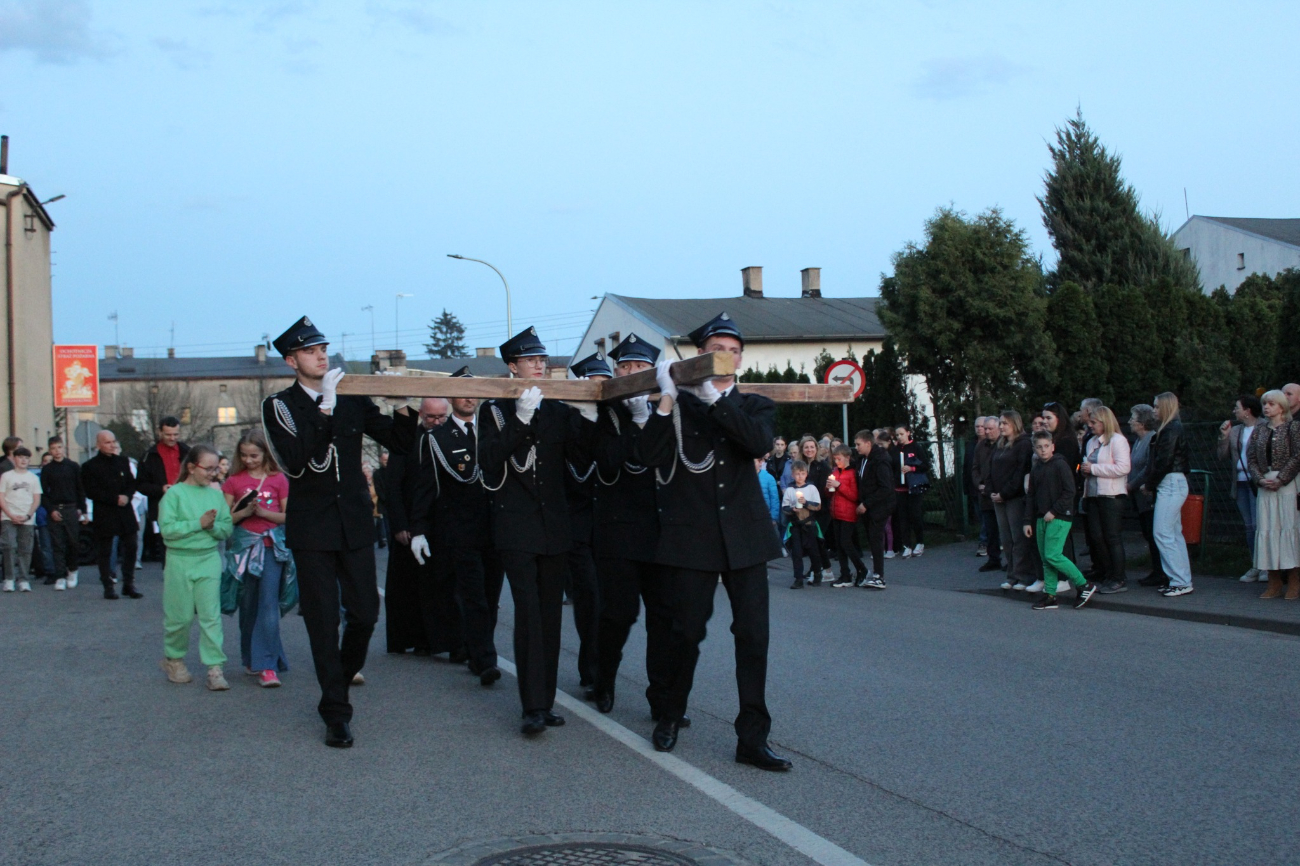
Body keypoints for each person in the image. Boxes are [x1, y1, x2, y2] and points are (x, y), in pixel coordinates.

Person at [637, 312, 790, 770]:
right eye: (714, 349)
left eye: (732, 350)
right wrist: (667, 400)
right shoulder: (677, 407)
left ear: (740, 360)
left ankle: (752, 739)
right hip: (693, 539)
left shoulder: (754, 405)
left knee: (753, 638)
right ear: (700, 356)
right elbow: (647, 456)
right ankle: (669, 713)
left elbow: (757, 443)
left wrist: (715, 401)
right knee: (685, 633)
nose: (724, 356)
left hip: (745, 538)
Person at [261, 315, 417, 748]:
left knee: (366, 613)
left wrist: (400, 403)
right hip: (312, 526)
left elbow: (399, 441)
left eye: (323, 349)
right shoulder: (280, 405)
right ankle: (335, 711)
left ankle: (339, 683)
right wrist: (323, 407)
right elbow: (296, 459)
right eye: (311, 351)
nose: (321, 356)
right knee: (323, 621)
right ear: (292, 360)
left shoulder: (349, 397)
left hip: (352, 522)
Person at [477, 326, 595, 736]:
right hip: (516, 528)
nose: (540, 366)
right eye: (531, 360)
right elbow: (490, 462)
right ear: (512, 367)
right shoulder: (493, 410)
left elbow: (583, 458)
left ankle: (545, 702)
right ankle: (531, 706)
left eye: (543, 360)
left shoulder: (559, 409)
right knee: (528, 616)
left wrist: (593, 414)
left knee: (549, 618)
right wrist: (521, 421)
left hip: (554, 528)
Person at [586, 334, 672, 718]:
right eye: (626, 368)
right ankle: (603, 682)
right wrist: (637, 422)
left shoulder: (670, 409)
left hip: (661, 532)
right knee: (618, 615)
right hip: (618, 532)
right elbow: (606, 462)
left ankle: (662, 698)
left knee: (664, 621)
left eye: (641, 368)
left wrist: (649, 418)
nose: (633, 375)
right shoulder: (605, 414)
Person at [409, 371, 505, 687]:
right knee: (474, 596)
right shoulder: (436, 438)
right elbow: (426, 487)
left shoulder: (492, 430)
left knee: (491, 596)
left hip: (495, 527)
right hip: (460, 530)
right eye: (462, 392)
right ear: (450, 398)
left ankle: (477, 651)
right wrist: (419, 529)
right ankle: (486, 660)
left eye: (472, 391)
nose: (469, 397)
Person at [384, 398, 462, 659]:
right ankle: (412, 638)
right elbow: (392, 485)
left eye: (441, 416)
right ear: (420, 415)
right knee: (408, 586)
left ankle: (441, 640)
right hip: (409, 521)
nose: (437, 422)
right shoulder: (407, 440)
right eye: (431, 417)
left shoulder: (451, 436)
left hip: (443, 522)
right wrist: (399, 524)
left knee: (441, 585)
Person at [159, 445, 234, 690]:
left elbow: (226, 528)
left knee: (211, 616)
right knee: (179, 616)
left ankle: (215, 668)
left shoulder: (215, 495)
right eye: (208, 468)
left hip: (208, 559)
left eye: (216, 468)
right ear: (191, 467)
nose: (214, 473)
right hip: (179, 560)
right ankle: (174, 659)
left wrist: (212, 527)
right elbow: (168, 531)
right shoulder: (174, 495)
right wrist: (198, 524)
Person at [222, 429, 292, 687]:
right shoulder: (233, 481)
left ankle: (268, 665)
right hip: (243, 549)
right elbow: (225, 519)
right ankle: (255, 657)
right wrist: (243, 512)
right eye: (244, 455)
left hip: (272, 548)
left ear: (265, 453)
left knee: (268, 605)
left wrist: (262, 513)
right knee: (248, 606)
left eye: (254, 455)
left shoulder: (279, 480)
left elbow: (289, 516)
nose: (249, 460)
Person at [1023, 431, 1097, 610]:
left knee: (1053, 554)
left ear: (1052, 446)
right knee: (1045, 558)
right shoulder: (1036, 468)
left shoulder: (1060, 465)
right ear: (1034, 449)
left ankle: (1083, 584)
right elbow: (1031, 496)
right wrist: (1027, 521)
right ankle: (1050, 595)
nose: (1043, 450)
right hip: (1041, 517)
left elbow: (1069, 491)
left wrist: (1054, 511)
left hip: (1060, 516)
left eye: (1046, 446)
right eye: (1039, 447)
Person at [1247, 390, 1300, 599]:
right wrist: (1259, 478)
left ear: (1281, 407)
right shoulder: (1259, 430)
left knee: (1288, 528)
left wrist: (1282, 478)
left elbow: (1298, 455)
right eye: (1264, 403)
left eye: (1271, 403)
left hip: (1287, 484)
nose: (1267, 407)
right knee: (1268, 528)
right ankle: (1274, 580)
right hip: (1265, 485)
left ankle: (1294, 581)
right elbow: (1250, 458)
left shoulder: (1293, 428)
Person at [82, 430, 141, 600]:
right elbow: (91, 491)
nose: (112, 445)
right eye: (107, 442)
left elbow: (131, 483)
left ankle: (128, 583)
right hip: (105, 512)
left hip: (125, 511)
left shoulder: (123, 462)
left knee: (131, 545)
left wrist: (127, 496)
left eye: (113, 441)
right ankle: (108, 585)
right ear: (98, 445)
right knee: (105, 550)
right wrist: (114, 498)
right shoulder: (90, 466)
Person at [1081, 406, 1131, 594]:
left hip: (1111, 495)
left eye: (1094, 422)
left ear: (1105, 422)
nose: (1090, 425)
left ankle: (1119, 577)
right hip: (1093, 495)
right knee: (1097, 537)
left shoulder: (1118, 441)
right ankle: (1106, 572)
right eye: (1090, 422)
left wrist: (1094, 469)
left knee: (1112, 536)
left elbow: (1123, 468)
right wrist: (1084, 470)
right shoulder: (1092, 441)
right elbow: (1085, 463)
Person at [1147, 392, 1193, 597]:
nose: (1154, 410)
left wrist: (1149, 484)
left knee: (1163, 533)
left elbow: (1164, 461)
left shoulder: (1170, 429)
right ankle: (1180, 579)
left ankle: (1180, 580)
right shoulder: (1171, 428)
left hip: (1171, 482)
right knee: (1173, 534)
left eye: (1157, 407)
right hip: (1173, 481)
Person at [1218, 394, 1265, 582]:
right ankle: (1255, 564)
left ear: (1247, 410)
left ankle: (1265, 567)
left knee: (1259, 524)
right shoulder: (1236, 430)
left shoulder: (1264, 426)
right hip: (1240, 482)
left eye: (1237, 407)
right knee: (1248, 526)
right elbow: (1222, 456)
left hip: (1258, 482)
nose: (1234, 411)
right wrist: (1223, 437)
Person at [990, 410, 1037, 591]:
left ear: (1015, 424)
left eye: (1005, 423)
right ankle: (1012, 574)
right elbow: (991, 470)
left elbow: (1019, 473)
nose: (1001, 427)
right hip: (998, 497)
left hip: (1014, 498)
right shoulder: (1000, 445)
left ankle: (1023, 575)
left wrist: (1005, 493)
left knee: (1019, 538)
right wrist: (992, 491)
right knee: (1006, 539)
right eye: (1000, 423)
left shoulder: (1023, 444)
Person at [137, 417, 190, 564]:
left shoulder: (188, 452)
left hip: (187, 504)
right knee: (168, 545)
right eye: (168, 434)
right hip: (163, 506)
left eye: (175, 434)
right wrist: (160, 489)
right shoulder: (149, 456)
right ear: (160, 432)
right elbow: (140, 485)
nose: (172, 438)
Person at [39, 436, 84, 590]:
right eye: (53, 448)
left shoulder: (73, 466)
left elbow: (80, 488)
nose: (56, 451)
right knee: (57, 544)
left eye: (59, 447)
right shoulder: (47, 469)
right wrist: (51, 510)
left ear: (63, 447)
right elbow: (43, 493)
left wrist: (82, 509)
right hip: (55, 509)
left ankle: (72, 570)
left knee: (73, 542)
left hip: (71, 507)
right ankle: (60, 576)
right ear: (49, 450)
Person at [1127, 404, 1164, 587]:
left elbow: (1147, 469)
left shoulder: (1151, 440)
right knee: (1148, 534)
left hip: (1146, 495)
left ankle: (1161, 571)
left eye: (1133, 418)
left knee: (1153, 533)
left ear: (1142, 423)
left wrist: (1131, 485)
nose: (1129, 422)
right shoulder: (1138, 441)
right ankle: (1156, 570)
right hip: (1138, 496)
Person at [854, 429, 893, 589]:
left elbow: (885, 487)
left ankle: (879, 576)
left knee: (876, 539)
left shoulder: (880, 460)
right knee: (872, 539)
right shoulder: (863, 459)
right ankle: (876, 573)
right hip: (869, 506)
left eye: (858, 444)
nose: (856, 447)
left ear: (868, 443)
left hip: (880, 506)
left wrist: (866, 503)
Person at [0, 447, 40, 592]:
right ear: (15, 458)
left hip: (27, 519)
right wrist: (10, 515)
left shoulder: (33, 478)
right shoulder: (6, 476)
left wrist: (28, 515)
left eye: (26, 458)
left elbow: (36, 500)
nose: (23, 460)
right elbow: (1, 497)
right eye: (20, 457)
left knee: (26, 549)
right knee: (9, 547)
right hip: (8, 517)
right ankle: (9, 579)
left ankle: (24, 579)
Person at [826, 445, 867, 588]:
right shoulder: (835, 471)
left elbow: (854, 495)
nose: (837, 461)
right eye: (835, 459)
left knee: (846, 542)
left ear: (847, 457)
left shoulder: (852, 473)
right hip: (836, 512)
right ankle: (845, 574)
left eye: (839, 458)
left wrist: (839, 485)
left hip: (848, 513)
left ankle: (862, 568)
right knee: (839, 544)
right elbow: (830, 494)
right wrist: (829, 488)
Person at [782, 459, 822, 589]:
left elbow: (817, 506)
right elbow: (785, 507)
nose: (800, 476)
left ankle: (817, 573)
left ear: (806, 474)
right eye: (797, 474)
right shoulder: (790, 489)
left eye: (802, 473)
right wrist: (792, 509)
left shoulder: (811, 488)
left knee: (813, 550)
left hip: (809, 524)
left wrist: (805, 503)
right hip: (795, 525)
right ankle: (798, 578)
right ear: (793, 475)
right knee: (797, 552)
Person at [892, 424, 929, 558]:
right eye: (897, 435)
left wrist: (912, 469)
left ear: (908, 433)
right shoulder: (895, 450)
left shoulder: (916, 447)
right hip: (900, 488)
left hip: (914, 487)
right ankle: (906, 545)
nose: (899, 437)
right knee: (903, 518)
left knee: (915, 515)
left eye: (902, 434)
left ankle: (920, 542)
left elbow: (925, 465)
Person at [973, 417, 1003, 574]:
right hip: (985, 494)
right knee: (990, 529)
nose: (986, 431)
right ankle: (993, 559)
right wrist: (979, 484)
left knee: (1005, 530)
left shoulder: (1003, 445)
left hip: (1000, 493)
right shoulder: (980, 446)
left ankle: (1012, 562)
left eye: (990, 428)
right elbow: (975, 468)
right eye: (985, 428)